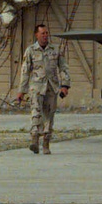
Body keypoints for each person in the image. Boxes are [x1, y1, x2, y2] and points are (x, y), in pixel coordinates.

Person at [16, 24, 70, 155]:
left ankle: (46, 142)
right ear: (37, 35)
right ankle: (34, 139)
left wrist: (65, 86)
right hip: (36, 87)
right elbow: (25, 71)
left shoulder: (55, 50)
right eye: (42, 33)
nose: (45, 35)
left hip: (51, 87)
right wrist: (21, 91)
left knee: (49, 115)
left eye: (47, 33)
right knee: (36, 111)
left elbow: (63, 68)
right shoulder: (30, 51)